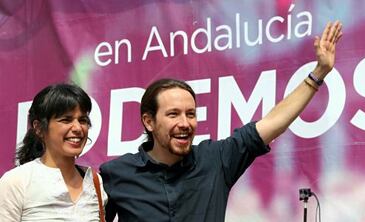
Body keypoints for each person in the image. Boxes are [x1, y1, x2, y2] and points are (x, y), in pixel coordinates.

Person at [100, 21, 343, 221]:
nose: (185, 123)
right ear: (149, 121)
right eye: (173, 114)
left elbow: (273, 122)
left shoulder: (216, 159)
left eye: (191, 114)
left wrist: (318, 73)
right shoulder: (115, 174)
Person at [0, 83, 107, 221]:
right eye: (66, 120)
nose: (78, 128)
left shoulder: (94, 181)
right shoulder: (16, 181)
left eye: (83, 120)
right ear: (38, 128)